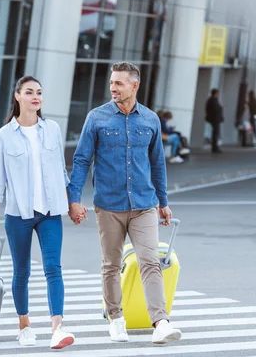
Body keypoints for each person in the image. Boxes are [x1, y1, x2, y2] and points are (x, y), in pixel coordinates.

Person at [67, 61, 183, 345]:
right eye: (111, 83)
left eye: (119, 83)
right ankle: (116, 319)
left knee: (150, 262)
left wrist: (163, 201)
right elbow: (82, 159)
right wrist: (74, 199)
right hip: (108, 205)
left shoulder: (150, 120)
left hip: (144, 203)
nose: (113, 88)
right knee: (111, 264)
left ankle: (161, 322)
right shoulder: (97, 118)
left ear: (135, 85)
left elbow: (157, 163)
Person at [0, 76, 75, 350]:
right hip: (18, 214)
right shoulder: (4, 135)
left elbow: (61, 171)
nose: (35, 96)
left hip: (50, 211)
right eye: (29, 92)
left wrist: (72, 204)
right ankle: (24, 324)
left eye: (39, 92)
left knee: (53, 267)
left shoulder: (52, 130)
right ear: (17, 96)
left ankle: (57, 328)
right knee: (21, 271)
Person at [205, 88, 224, 153]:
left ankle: (215, 147)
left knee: (215, 133)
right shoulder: (212, 100)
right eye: (217, 93)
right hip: (215, 119)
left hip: (215, 119)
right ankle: (215, 147)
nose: (218, 95)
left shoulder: (213, 100)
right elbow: (214, 110)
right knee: (215, 133)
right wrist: (220, 108)